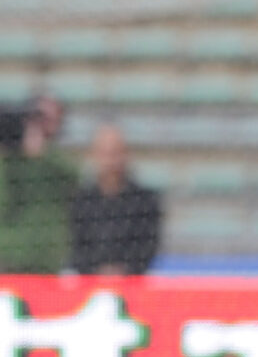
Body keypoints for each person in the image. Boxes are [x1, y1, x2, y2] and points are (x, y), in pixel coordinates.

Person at [0, 94, 78, 273]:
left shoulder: (58, 161)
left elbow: (75, 180)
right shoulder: (8, 161)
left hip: (46, 259)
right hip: (8, 258)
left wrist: (43, 152)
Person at [69, 123, 161, 275]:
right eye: (105, 153)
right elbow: (75, 245)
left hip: (132, 284)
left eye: (115, 153)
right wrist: (96, 271)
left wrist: (123, 271)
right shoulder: (81, 200)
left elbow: (148, 246)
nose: (110, 161)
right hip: (88, 285)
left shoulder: (145, 201)